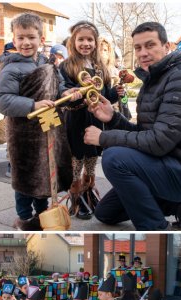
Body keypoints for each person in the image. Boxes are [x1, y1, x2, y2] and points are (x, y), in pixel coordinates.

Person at [85, 21, 181, 231]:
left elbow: (158, 142)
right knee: (104, 213)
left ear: (167, 46)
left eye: (150, 45)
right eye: (138, 48)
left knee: (114, 158)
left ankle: (157, 228)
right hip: (163, 161)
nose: (143, 53)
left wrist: (103, 137)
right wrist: (113, 118)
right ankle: (174, 202)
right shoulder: (156, 78)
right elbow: (147, 134)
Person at [0, 13, 82, 230]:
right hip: (24, 131)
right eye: (21, 38)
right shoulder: (11, 68)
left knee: (46, 170)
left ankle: (42, 214)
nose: (26, 42)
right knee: (26, 175)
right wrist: (33, 105)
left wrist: (68, 92)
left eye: (31, 37)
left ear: (41, 39)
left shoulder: (48, 64)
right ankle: (23, 218)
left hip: (49, 124)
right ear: (14, 40)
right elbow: (2, 100)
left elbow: (58, 89)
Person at [60, 21, 122, 220]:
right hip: (76, 120)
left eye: (89, 39)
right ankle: (76, 200)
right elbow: (63, 96)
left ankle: (89, 194)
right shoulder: (66, 66)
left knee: (91, 160)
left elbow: (104, 96)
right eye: (81, 39)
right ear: (73, 41)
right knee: (76, 160)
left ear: (95, 42)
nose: (85, 43)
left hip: (95, 121)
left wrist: (116, 93)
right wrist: (76, 92)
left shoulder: (100, 67)